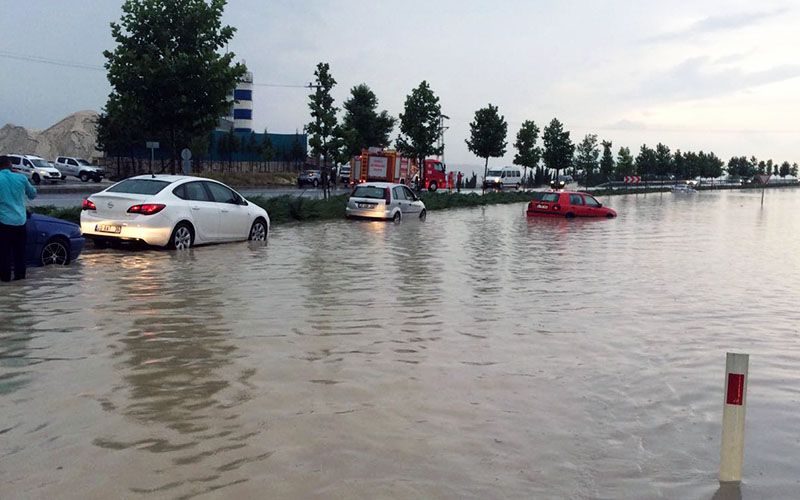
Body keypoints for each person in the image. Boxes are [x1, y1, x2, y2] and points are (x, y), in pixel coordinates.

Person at [0, 155, 37, 282]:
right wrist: (21, 177)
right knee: (20, 255)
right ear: (10, 165)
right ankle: (20, 282)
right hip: (20, 223)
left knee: (3, 255)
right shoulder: (21, 178)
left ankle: (5, 280)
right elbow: (33, 194)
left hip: (3, 223)